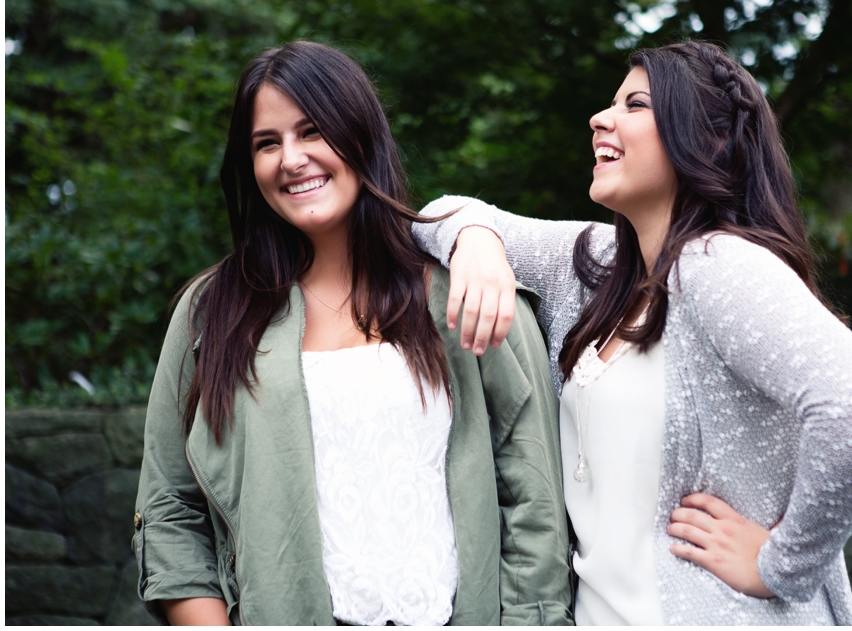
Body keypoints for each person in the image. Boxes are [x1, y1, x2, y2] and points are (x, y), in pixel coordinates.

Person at [412, 40, 852, 625]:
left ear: (709, 140)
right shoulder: (596, 265)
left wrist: (782, 565)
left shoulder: (719, 263)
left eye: (635, 105)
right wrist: (478, 243)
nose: (601, 118)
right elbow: (440, 212)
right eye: (610, 103)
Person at [132, 41, 573, 626]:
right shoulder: (212, 313)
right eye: (267, 143)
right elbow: (170, 506)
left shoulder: (469, 290)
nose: (291, 159)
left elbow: (535, 505)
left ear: (361, 136)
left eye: (312, 131)